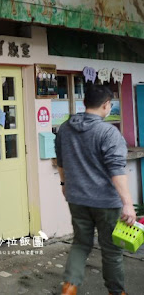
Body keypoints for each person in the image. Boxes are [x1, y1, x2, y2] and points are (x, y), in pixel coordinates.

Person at [55, 84, 136, 295]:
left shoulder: (65, 128)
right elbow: (116, 170)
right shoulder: (108, 132)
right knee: (111, 250)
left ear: (84, 102)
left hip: (77, 197)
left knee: (81, 244)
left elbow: (61, 162)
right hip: (106, 203)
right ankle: (116, 292)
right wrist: (127, 203)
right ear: (107, 105)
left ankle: (69, 286)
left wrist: (64, 186)